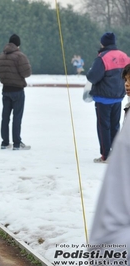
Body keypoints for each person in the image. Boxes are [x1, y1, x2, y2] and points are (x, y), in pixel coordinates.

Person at [88, 107, 130, 264]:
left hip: (106, 99)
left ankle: (106, 153)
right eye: (125, 80)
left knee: (106, 125)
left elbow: (106, 242)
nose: (127, 84)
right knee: (111, 125)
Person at [86, 32, 130, 163]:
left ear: (103, 43)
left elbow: (93, 77)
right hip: (119, 96)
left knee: (103, 126)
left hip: (103, 98)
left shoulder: (102, 57)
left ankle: (106, 155)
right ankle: (116, 154)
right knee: (115, 125)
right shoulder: (124, 56)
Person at [0, 34, 32, 150]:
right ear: (18, 45)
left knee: (5, 117)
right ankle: (16, 143)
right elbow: (27, 72)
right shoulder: (20, 56)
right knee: (17, 117)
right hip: (17, 91)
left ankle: (4, 142)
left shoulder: (1, 56)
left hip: (5, 90)